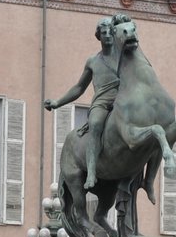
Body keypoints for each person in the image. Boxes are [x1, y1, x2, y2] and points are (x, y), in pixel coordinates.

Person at [43, 15, 122, 188]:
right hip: (102, 102)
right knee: (95, 124)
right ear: (98, 36)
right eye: (104, 32)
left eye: (110, 31)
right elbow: (79, 88)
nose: (108, 35)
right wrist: (57, 103)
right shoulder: (93, 62)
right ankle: (92, 172)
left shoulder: (123, 56)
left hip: (122, 101)